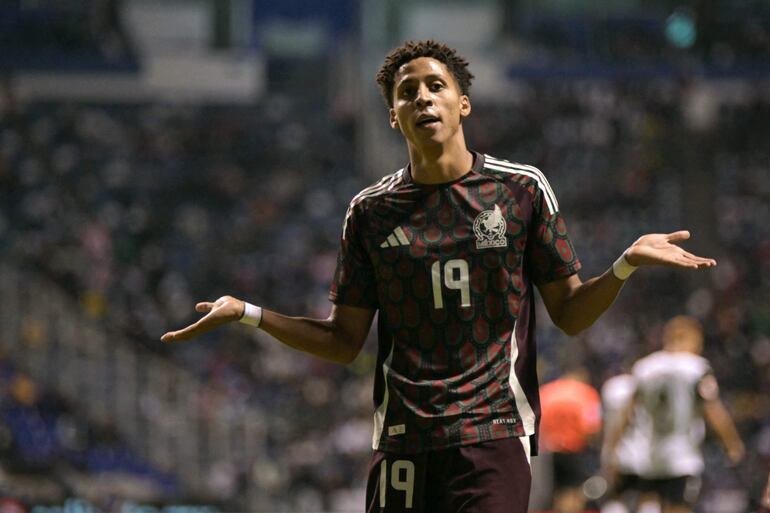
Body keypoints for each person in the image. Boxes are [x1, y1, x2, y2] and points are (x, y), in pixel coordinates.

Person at [161, 40, 718, 512]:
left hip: (492, 434)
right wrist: (249, 314)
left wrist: (623, 265)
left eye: (435, 86)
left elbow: (570, 313)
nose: (422, 97)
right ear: (393, 116)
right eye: (407, 92)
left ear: (463, 104)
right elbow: (342, 340)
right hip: (403, 440)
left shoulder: (520, 189)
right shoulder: (370, 212)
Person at [603, 316, 745, 513]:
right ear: (693, 339)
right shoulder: (696, 368)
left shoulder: (645, 367)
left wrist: (612, 450)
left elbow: (626, 414)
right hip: (682, 457)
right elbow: (713, 409)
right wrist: (732, 443)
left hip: (650, 458)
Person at [539, 367, 602, 513]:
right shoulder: (586, 392)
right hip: (575, 450)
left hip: (550, 451)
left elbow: (537, 422)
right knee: (574, 494)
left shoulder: (546, 391)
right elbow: (593, 427)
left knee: (556, 493)